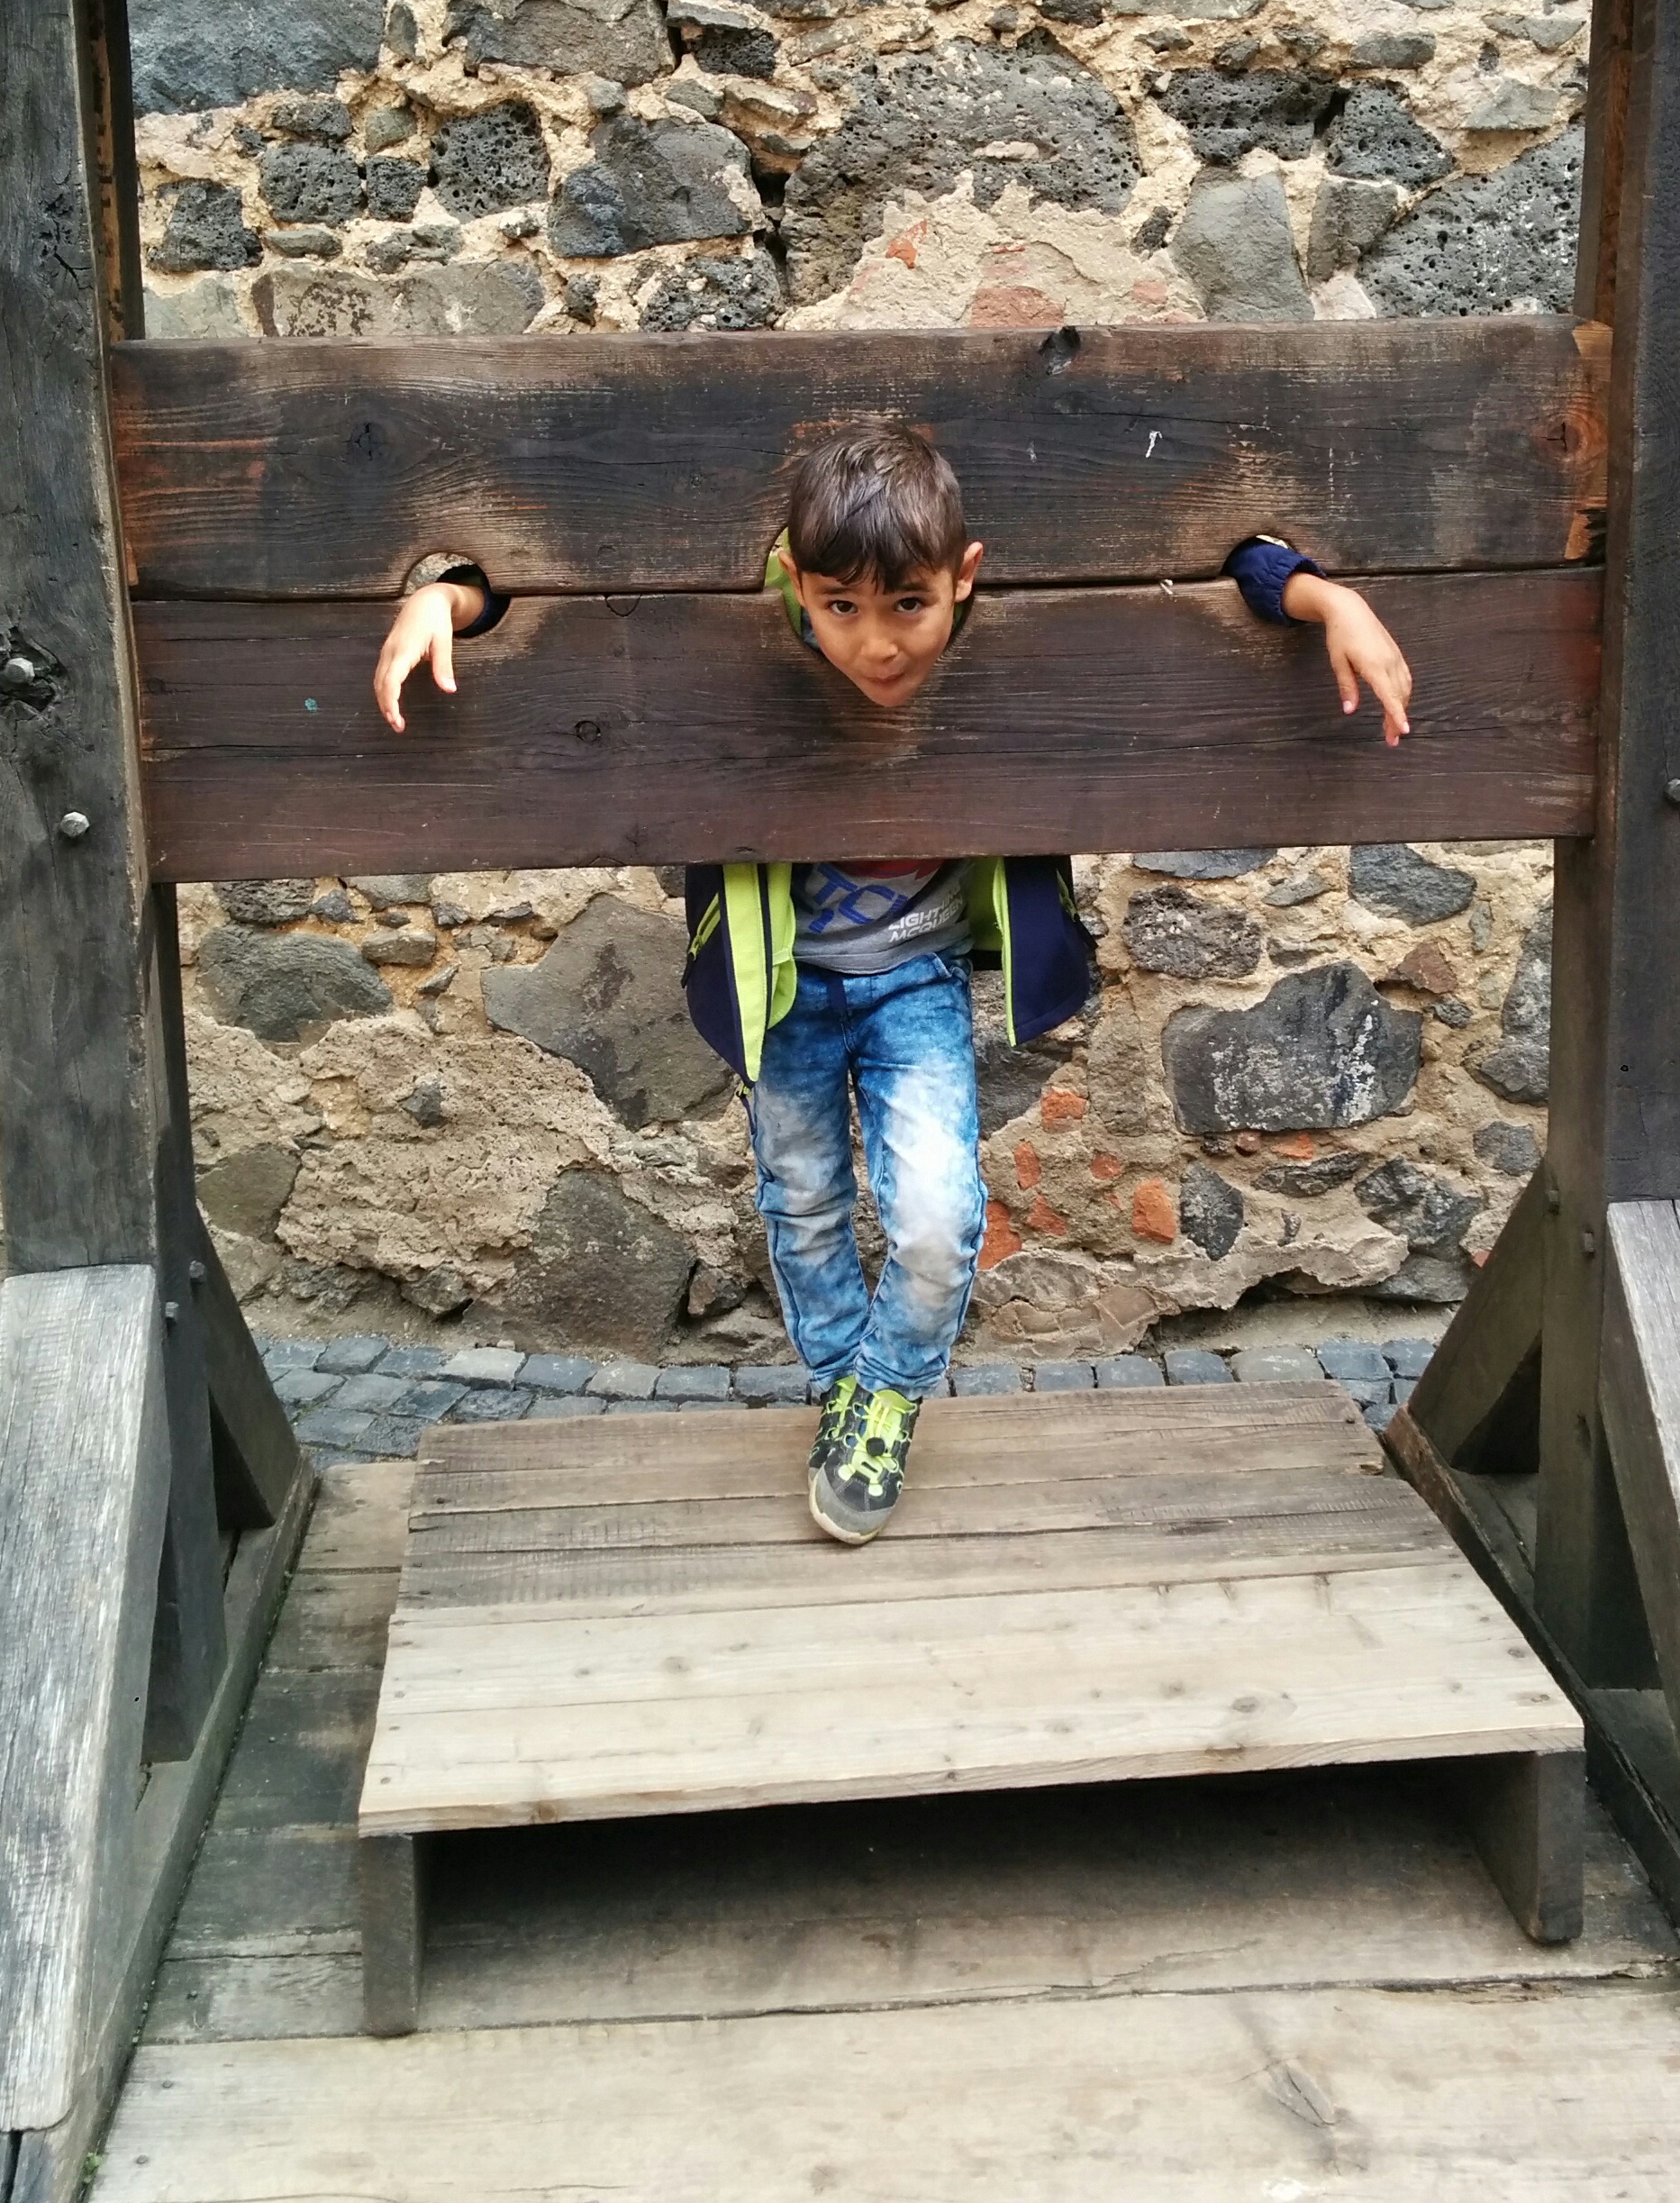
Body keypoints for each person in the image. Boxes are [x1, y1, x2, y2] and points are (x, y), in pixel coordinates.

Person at [371, 420, 1412, 1547]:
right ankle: (845, 1396)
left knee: (935, 1219)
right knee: (804, 1204)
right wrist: (450, 594)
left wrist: (1324, 597)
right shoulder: (767, 630)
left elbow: (1229, 555)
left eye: (910, 604)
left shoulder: (976, 632)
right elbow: (546, 568)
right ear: (793, 585)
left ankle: (885, 1393)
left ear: (966, 579)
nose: (875, 645)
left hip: (916, 978)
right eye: (841, 608)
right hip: (782, 983)